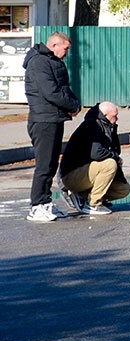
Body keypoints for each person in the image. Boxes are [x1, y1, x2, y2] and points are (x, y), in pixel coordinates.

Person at [23, 31, 81, 222]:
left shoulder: (53, 62)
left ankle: (45, 202)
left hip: (54, 118)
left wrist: (74, 104)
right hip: (43, 120)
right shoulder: (39, 62)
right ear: (54, 45)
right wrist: (71, 106)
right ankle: (36, 205)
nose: (66, 52)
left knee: (51, 163)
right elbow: (51, 92)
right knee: (44, 164)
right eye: (65, 48)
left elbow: (63, 88)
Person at [59, 102, 130, 216]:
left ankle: (83, 197)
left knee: (123, 189)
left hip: (87, 172)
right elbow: (96, 153)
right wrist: (115, 158)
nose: (117, 118)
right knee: (109, 165)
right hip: (72, 175)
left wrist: (114, 129)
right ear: (105, 115)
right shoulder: (92, 126)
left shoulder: (106, 126)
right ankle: (93, 204)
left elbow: (116, 150)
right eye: (114, 116)